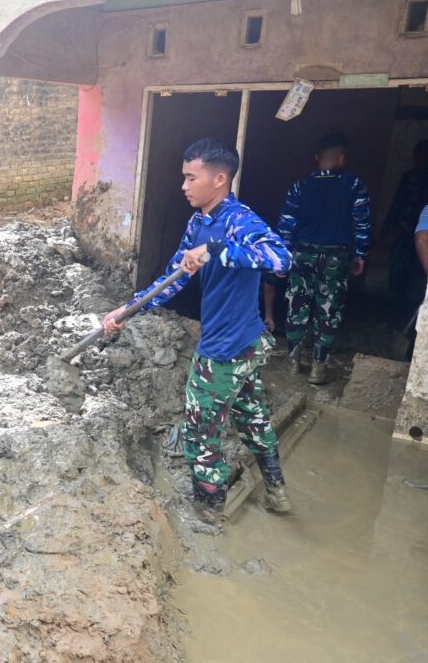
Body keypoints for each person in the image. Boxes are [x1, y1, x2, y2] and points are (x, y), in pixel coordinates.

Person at [103, 138, 293, 524]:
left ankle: (209, 517)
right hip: (245, 344)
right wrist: (129, 309)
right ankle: (277, 494)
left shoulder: (240, 220)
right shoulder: (199, 222)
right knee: (253, 416)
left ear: (220, 178)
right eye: (184, 178)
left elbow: (280, 258)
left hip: (225, 349)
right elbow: (174, 277)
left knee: (200, 433)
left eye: (192, 178)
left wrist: (216, 250)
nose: (184, 186)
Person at [277, 132, 371, 385]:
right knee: (329, 310)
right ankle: (319, 367)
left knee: (297, 305)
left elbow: (286, 224)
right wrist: (361, 254)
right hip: (335, 256)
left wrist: (282, 257)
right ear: (341, 158)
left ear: (317, 157)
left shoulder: (300, 186)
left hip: (302, 253)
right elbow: (361, 222)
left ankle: (294, 362)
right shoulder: (354, 185)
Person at [385, 140, 428, 304]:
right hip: (403, 234)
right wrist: (388, 226)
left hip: (423, 236)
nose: (421, 160)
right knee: (397, 274)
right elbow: (397, 202)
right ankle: (392, 317)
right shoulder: (408, 176)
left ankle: (409, 318)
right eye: (419, 155)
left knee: (418, 278)